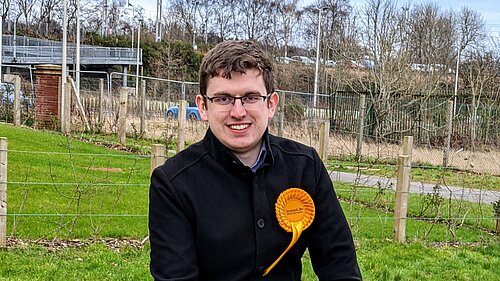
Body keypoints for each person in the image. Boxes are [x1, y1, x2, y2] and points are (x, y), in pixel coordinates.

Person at [149, 40, 362, 280]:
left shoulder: (305, 166)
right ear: (203, 107)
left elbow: (339, 265)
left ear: (271, 104)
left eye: (251, 97)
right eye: (223, 99)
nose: (238, 111)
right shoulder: (173, 183)